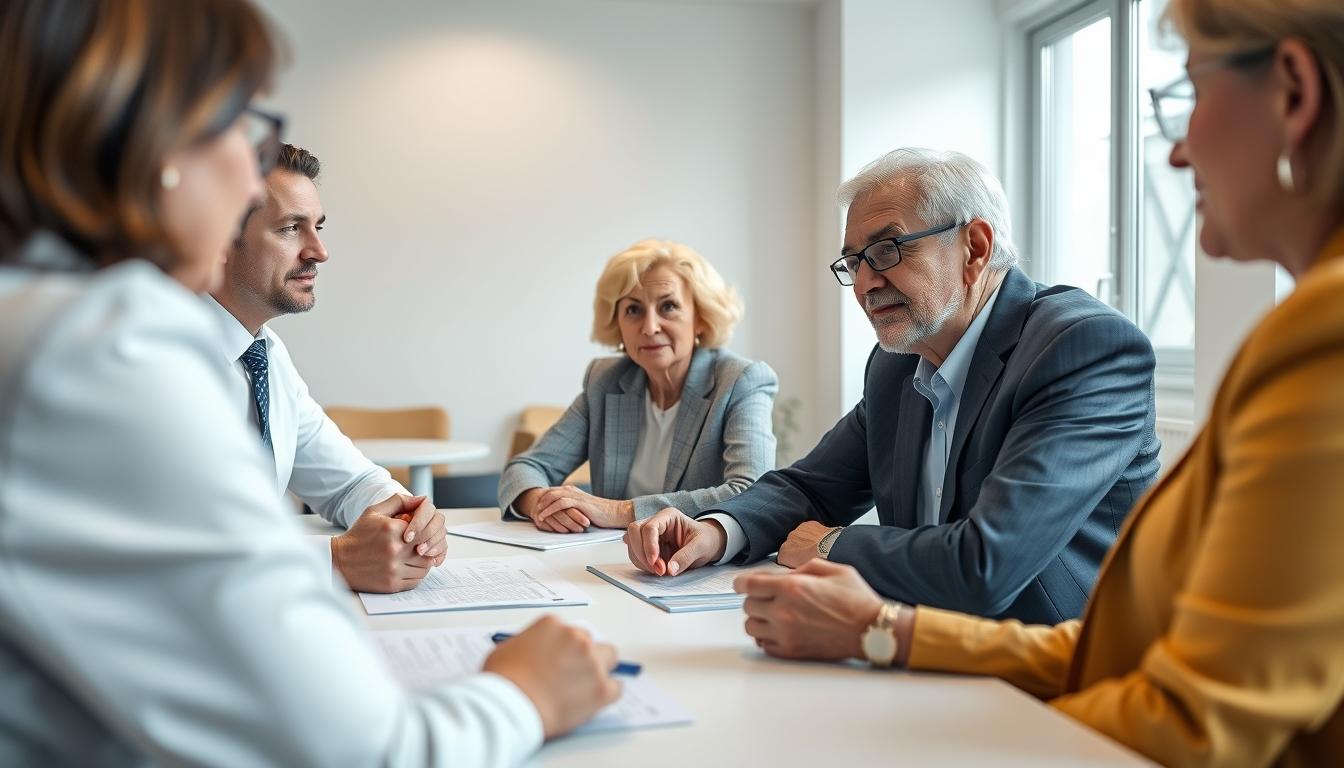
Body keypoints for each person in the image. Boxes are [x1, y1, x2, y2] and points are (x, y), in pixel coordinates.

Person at [0, 1, 618, 764]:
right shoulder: (102, 350)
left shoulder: (65, 324)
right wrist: (525, 692)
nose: (245, 170)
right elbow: (365, 754)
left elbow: (350, 483)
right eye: (243, 128)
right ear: (153, 141)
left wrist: (399, 513)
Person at [734, 0, 1344, 763]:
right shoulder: (898, 366)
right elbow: (1146, 656)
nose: (1178, 152)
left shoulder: (1303, 335)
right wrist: (881, 629)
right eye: (852, 264)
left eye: (1189, 91)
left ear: (1292, 90)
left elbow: (1194, 717)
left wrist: (854, 582)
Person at [625, 149, 1161, 625]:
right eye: (854, 262)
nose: (864, 283)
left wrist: (834, 545)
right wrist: (717, 532)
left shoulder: (1084, 348)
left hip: (1055, 681)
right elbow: (812, 486)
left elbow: (987, 565)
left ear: (974, 247)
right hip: (917, 645)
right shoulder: (897, 364)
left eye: (886, 251)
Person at [208, 142, 445, 594]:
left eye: (317, 227)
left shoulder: (265, 356)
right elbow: (168, 547)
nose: (318, 251)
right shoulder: (157, 362)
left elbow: (350, 482)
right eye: (290, 229)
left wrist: (409, 519)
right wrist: (332, 560)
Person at [498, 239, 778, 532]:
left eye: (668, 306)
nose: (650, 327)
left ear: (701, 318)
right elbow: (526, 468)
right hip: (604, 559)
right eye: (633, 310)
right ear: (617, 323)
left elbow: (752, 492)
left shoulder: (740, 381)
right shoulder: (605, 381)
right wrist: (544, 505)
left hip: (692, 569)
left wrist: (619, 511)